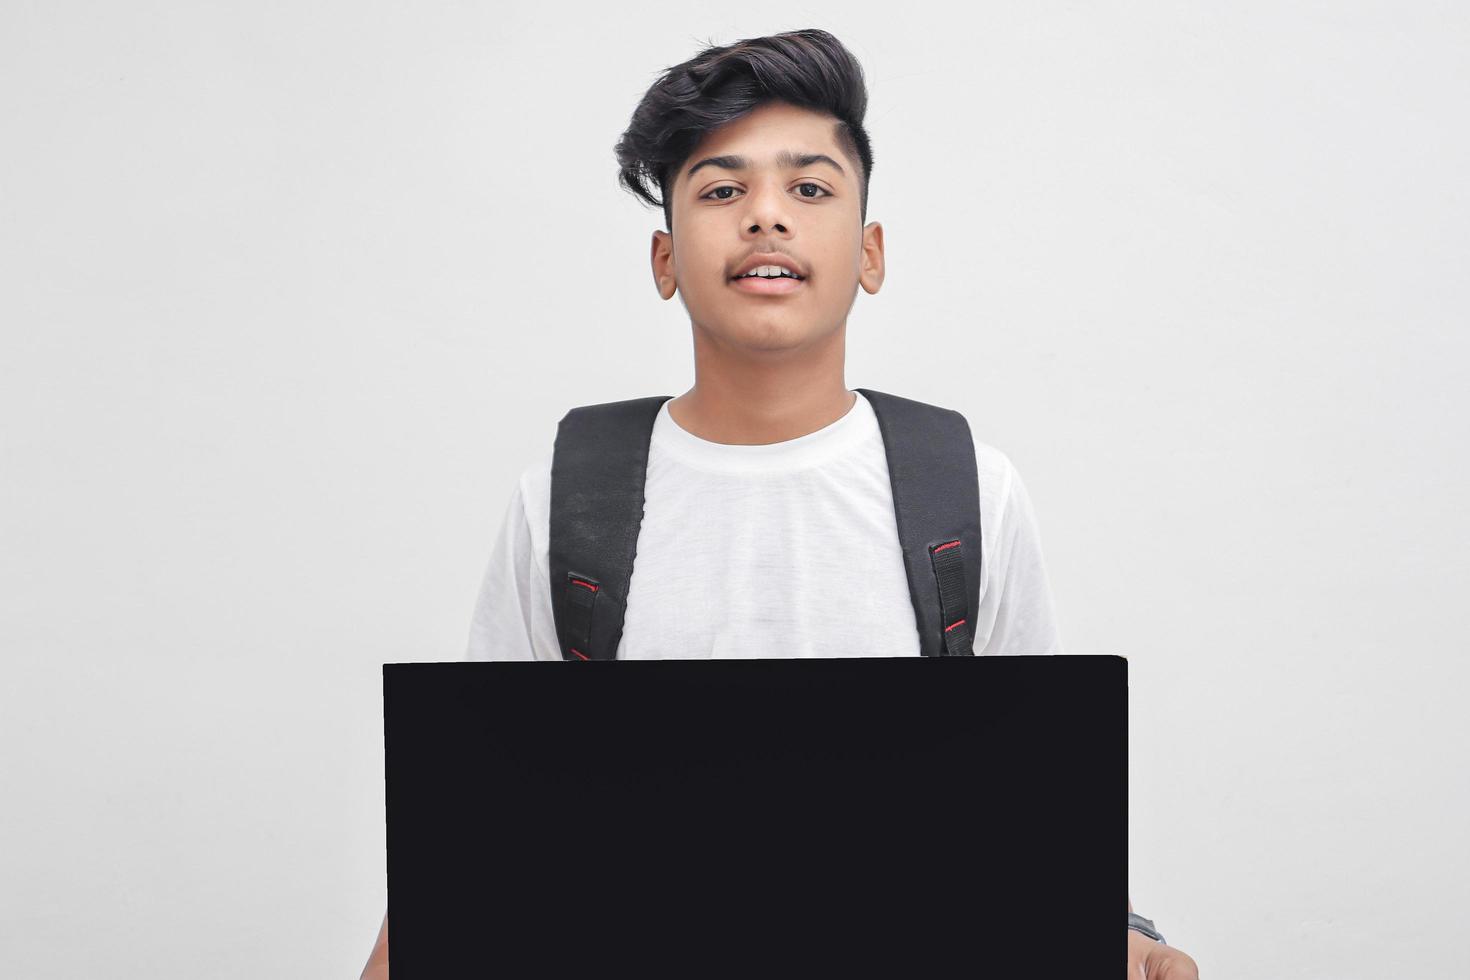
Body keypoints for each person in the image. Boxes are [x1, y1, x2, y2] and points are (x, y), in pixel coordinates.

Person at [360, 28, 1197, 979]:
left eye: (809, 188)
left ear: (870, 253)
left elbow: (1042, 807)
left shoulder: (966, 487)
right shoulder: (569, 491)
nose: (766, 217)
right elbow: (484, 810)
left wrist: (1130, 934)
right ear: (665, 258)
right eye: (722, 190)